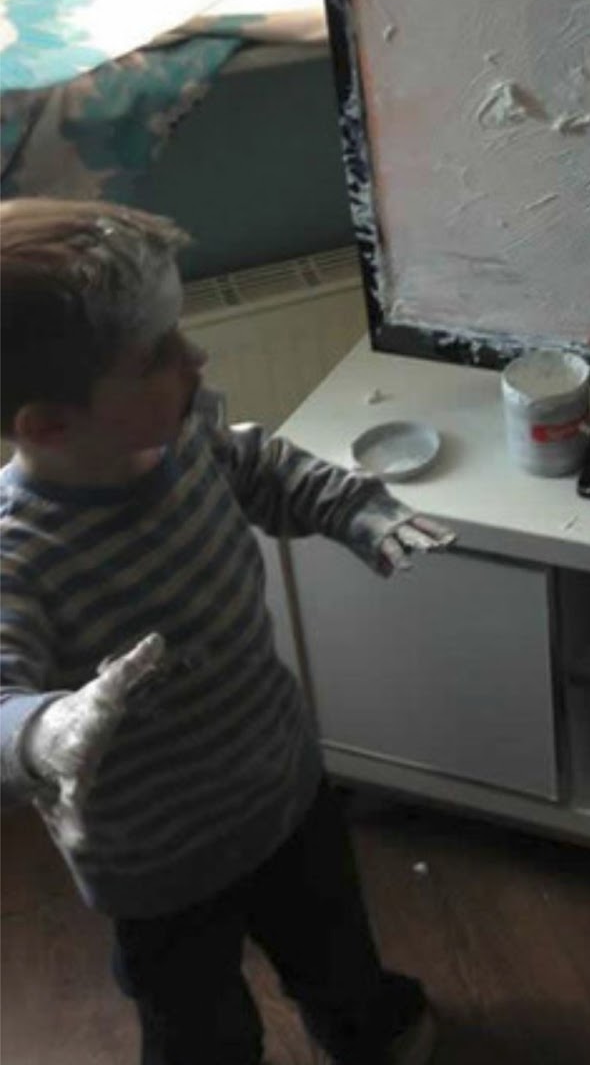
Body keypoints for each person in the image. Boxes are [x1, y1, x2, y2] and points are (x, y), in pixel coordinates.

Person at [0, 197, 454, 1065]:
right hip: (157, 866)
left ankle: (368, 1030)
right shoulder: (18, 555)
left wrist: (355, 511)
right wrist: (46, 731)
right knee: (196, 1022)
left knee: (336, 951)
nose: (195, 358)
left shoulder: (190, 440)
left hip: (284, 788)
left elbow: (268, 469)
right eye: (158, 355)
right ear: (48, 423)